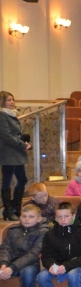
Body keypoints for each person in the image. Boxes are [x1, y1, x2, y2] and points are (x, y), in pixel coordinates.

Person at [0, 204, 49, 287]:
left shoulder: (43, 231)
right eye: (24, 216)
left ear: (38, 218)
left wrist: (12, 268)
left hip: (32, 263)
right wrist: (4, 264)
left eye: (31, 216)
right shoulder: (12, 230)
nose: (27, 219)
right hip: (11, 263)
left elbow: (34, 254)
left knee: (27, 273)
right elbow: (5, 248)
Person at [0, 91, 31, 220]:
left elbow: (15, 134)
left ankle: (15, 208)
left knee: (22, 179)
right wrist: (22, 145)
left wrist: (24, 141)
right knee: (7, 181)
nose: (12, 102)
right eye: (9, 100)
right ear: (2, 102)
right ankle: (9, 210)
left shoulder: (12, 114)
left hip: (16, 153)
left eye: (13, 99)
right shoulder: (2, 115)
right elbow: (6, 136)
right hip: (8, 154)